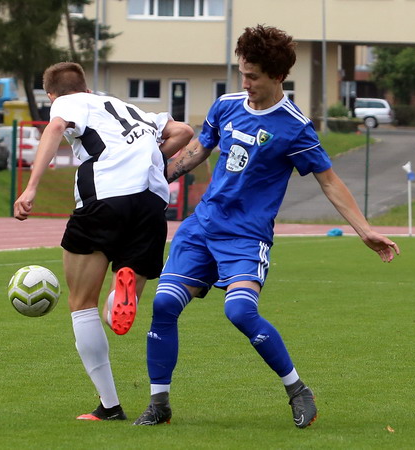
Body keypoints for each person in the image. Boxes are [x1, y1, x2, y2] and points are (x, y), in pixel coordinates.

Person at [133, 25, 400, 428]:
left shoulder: (294, 127)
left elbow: (329, 181)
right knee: (164, 303)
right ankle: (159, 405)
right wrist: (153, 184)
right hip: (202, 227)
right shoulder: (226, 106)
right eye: (242, 73)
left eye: (253, 76)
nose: (245, 83)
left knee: (240, 311)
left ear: (277, 76)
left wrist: (364, 230)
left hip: (245, 236)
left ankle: (298, 390)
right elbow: (197, 150)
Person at [14, 62, 194, 421]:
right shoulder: (129, 108)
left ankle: (110, 406)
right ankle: (117, 304)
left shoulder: (67, 103)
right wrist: (150, 157)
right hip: (152, 202)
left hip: (106, 196)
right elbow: (184, 131)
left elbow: (55, 128)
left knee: (81, 303)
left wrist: (31, 187)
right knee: (120, 303)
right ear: (87, 87)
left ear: (51, 95)